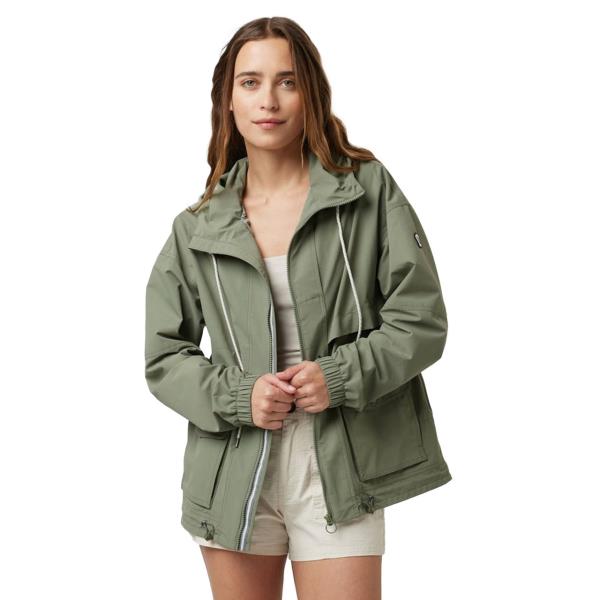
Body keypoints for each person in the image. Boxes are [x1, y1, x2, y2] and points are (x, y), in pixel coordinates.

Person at [144, 16, 452, 600]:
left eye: (287, 81)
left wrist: (338, 376)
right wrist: (241, 396)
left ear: (310, 93)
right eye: (250, 82)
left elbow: (422, 321)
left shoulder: (365, 191)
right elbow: (164, 357)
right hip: (235, 468)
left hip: (344, 463)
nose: (269, 100)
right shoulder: (196, 227)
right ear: (228, 99)